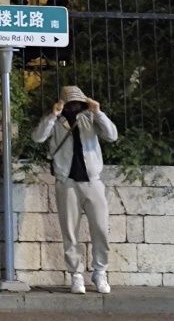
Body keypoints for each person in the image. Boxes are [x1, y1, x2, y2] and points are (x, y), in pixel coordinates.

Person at [32, 85, 118, 295]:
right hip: (67, 182)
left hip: (93, 181)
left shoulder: (90, 118)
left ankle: (100, 272)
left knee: (101, 229)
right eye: (70, 103)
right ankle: (76, 275)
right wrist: (53, 115)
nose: (75, 106)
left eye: (78, 102)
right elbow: (38, 137)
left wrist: (98, 112)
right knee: (70, 232)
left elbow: (112, 135)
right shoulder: (56, 121)